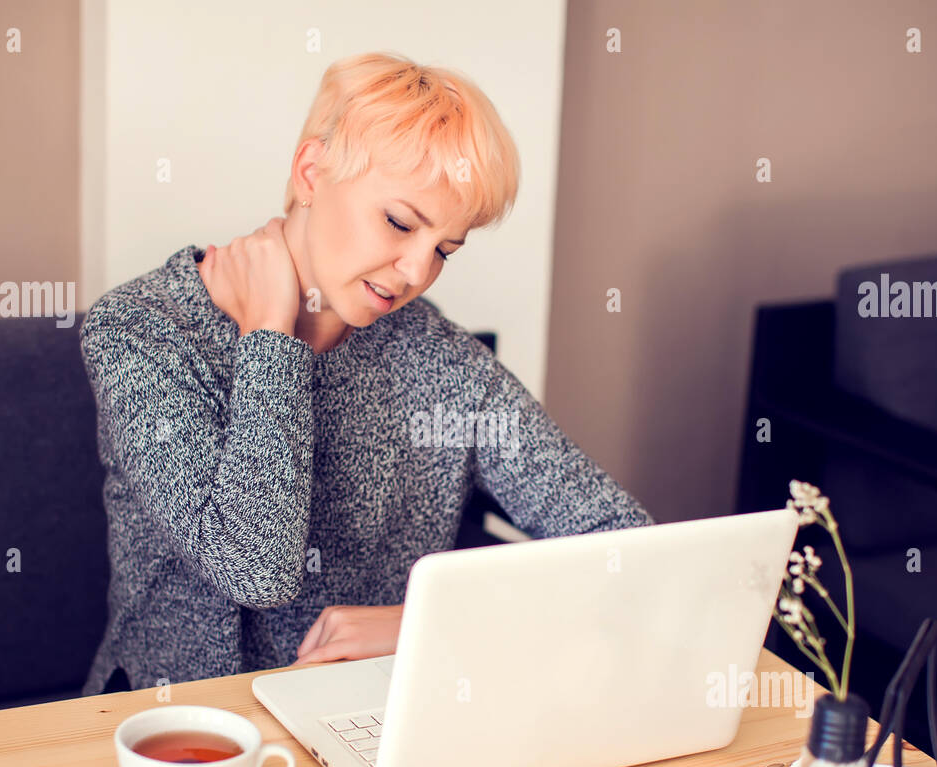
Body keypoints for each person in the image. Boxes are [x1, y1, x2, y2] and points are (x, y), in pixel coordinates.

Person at [80, 52, 654, 697]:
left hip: (363, 719)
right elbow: (255, 568)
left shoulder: (443, 362)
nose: (415, 272)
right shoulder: (141, 331)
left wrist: (427, 627)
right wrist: (271, 336)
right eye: (399, 222)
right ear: (311, 173)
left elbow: (629, 550)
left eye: (444, 249)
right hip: (172, 733)